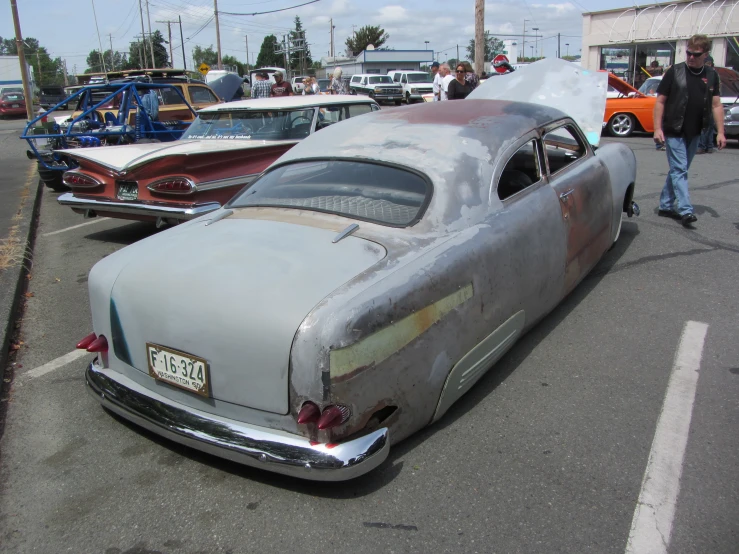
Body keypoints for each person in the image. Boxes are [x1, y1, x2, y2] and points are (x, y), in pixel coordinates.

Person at [654, 34, 726, 227]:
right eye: (688, 53)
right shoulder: (675, 71)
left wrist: (720, 132)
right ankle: (686, 210)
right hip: (674, 129)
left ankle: (665, 205)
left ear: (705, 54)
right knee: (679, 169)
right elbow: (660, 101)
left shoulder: (711, 75)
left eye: (696, 54)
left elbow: (716, 105)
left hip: (696, 131)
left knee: (679, 170)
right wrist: (657, 128)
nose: (691, 57)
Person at [697, 55, 717, 153]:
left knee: (707, 126)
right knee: (708, 126)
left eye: (709, 63)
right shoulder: (712, 73)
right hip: (708, 103)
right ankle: (708, 146)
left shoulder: (711, 74)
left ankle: (704, 146)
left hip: (709, 103)